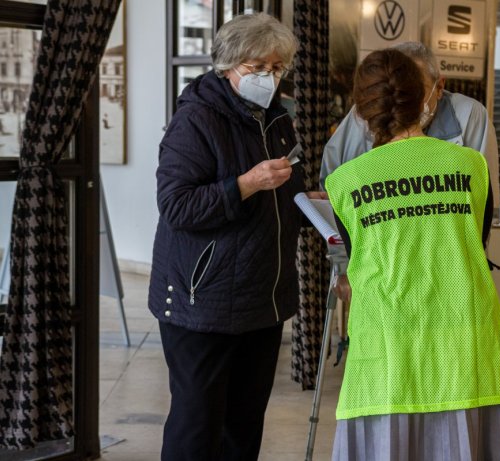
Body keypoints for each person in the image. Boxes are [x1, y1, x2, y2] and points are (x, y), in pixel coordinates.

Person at [324, 49, 500, 460]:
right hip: (464, 345)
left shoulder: (346, 183)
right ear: (424, 97)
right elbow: (476, 244)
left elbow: (357, 261)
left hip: (387, 350)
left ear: (361, 110)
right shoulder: (471, 166)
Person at [148, 13, 319, 461]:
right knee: (197, 426)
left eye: (278, 68)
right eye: (258, 67)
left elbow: (282, 198)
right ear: (228, 66)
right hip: (200, 301)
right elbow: (177, 206)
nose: (270, 77)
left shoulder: (277, 120)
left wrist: (310, 201)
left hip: (261, 300)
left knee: (243, 428)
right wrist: (245, 184)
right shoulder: (196, 120)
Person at [320, 41, 500, 221]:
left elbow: (482, 208)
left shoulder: (470, 117)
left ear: (439, 87)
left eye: (416, 90)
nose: (405, 100)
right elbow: (336, 189)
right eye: (401, 91)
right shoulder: (368, 112)